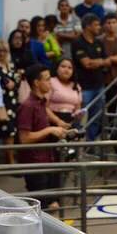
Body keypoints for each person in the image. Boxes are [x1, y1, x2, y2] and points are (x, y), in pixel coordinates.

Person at [16, 64, 71, 213]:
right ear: (36, 83)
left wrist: (58, 124)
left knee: (51, 204)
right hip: (35, 164)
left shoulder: (41, 102)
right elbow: (24, 138)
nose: (50, 82)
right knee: (41, 208)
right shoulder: (27, 106)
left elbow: (46, 112)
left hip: (47, 159)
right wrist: (49, 130)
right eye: (47, 79)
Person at [73, 14, 109, 139]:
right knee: (78, 117)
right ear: (88, 26)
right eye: (96, 25)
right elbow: (86, 64)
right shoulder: (78, 42)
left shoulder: (99, 42)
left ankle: (90, 143)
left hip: (99, 85)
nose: (99, 27)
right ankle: (75, 142)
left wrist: (97, 62)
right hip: (84, 87)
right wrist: (100, 62)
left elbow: (107, 61)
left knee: (96, 117)